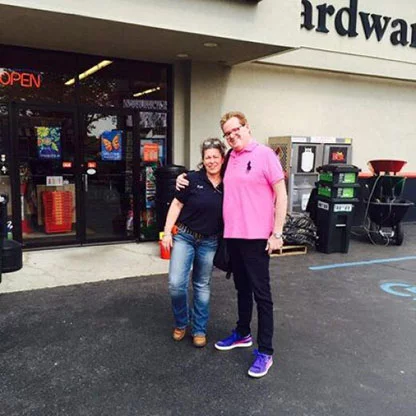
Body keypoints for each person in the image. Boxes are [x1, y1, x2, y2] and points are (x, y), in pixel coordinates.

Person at [177, 111, 287, 377]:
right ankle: (242, 333)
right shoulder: (231, 160)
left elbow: (281, 195)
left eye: (235, 129)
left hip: (258, 238)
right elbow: (209, 170)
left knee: (262, 295)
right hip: (233, 236)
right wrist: (183, 177)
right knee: (242, 289)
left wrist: (277, 233)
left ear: (246, 127)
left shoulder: (265, 155)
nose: (232, 135)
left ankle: (266, 351)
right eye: (227, 134)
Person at [162, 138, 226, 348]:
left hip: (210, 241)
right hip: (185, 236)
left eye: (215, 156)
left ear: (222, 158)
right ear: (203, 160)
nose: (211, 161)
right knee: (176, 284)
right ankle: (182, 323)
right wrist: (167, 232)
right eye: (208, 157)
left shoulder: (230, 182)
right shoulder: (190, 178)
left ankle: (199, 329)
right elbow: (177, 204)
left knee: (201, 285)